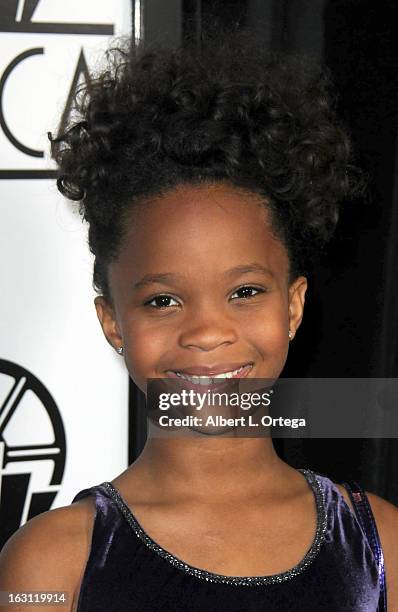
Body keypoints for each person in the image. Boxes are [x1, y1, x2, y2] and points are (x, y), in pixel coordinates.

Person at [0, 31, 397, 611]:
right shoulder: (54, 562)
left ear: (293, 306)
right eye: (163, 300)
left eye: (244, 291)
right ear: (113, 322)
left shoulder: (380, 546)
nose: (208, 332)